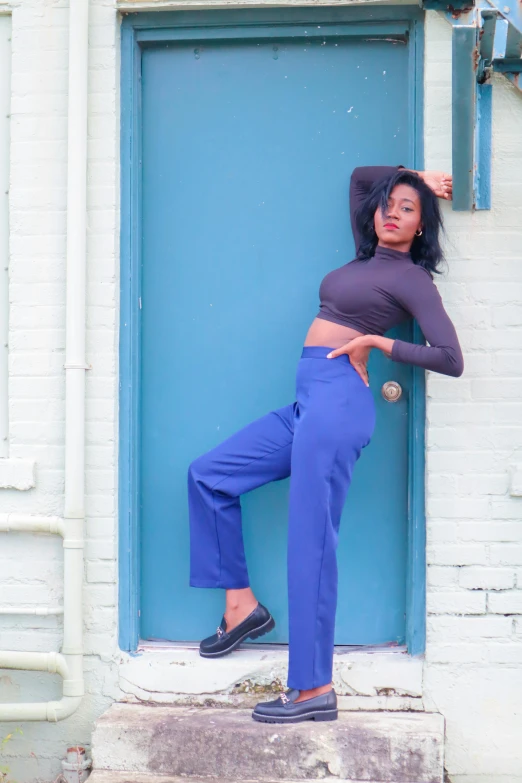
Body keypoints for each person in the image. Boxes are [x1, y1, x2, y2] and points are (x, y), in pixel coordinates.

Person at [187, 165, 463, 724]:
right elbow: (363, 178)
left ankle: (313, 690)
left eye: (408, 209)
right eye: (391, 204)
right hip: (307, 402)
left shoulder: (411, 278)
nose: (392, 211)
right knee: (209, 475)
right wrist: (416, 178)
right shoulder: (364, 253)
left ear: (419, 229)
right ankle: (241, 607)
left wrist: (378, 341)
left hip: (338, 404)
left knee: (311, 542)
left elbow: (451, 358)